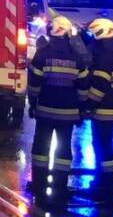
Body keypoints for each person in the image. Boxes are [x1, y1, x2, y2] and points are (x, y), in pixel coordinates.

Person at [25, 15, 89, 194]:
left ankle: (39, 183)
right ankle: (60, 185)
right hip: (68, 113)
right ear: (67, 33)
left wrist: (33, 104)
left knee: (41, 148)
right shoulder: (77, 57)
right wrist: (82, 109)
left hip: (45, 110)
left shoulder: (42, 54)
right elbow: (83, 88)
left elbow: (34, 84)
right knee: (63, 148)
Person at [83, 17, 113, 190]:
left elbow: (100, 84)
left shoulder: (105, 55)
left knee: (102, 145)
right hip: (109, 104)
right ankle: (106, 180)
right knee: (103, 144)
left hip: (103, 107)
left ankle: (105, 183)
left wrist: (89, 105)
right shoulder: (112, 51)